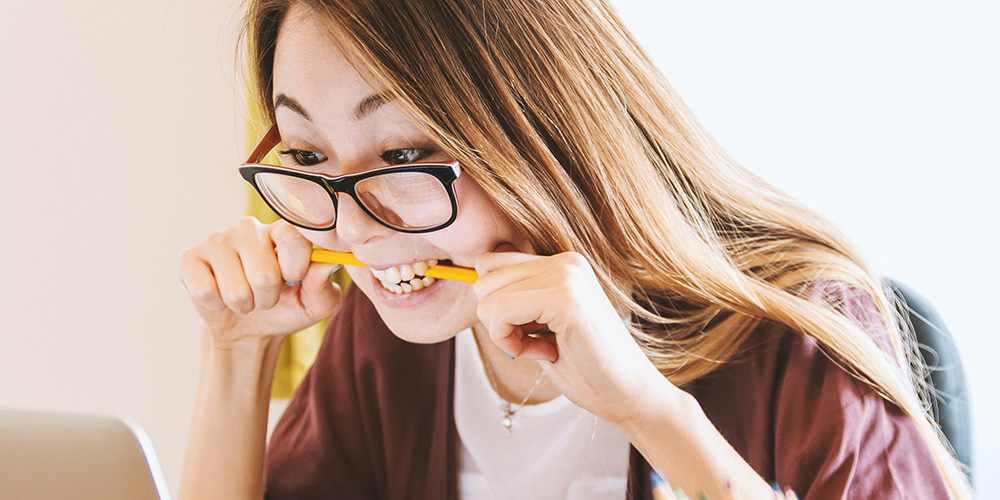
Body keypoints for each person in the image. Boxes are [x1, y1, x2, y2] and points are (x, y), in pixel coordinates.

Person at [178, 0, 971, 498]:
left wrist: (647, 410)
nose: (352, 231)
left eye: (408, 156)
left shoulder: (794, 338)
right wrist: (235, 356)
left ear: (543, 130)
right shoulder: (393, 338)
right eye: (311, 158)